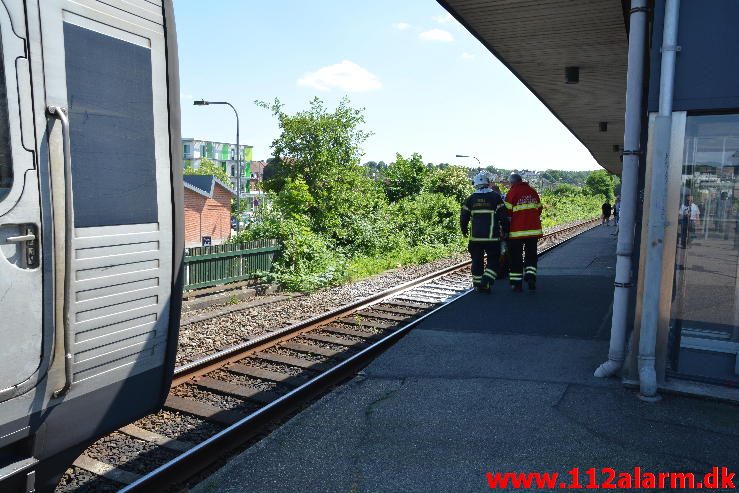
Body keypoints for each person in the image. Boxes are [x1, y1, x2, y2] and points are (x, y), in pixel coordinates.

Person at [460, 171, 509, 293]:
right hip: (492, 237)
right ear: (487, 183)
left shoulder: (470, 199)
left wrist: (464, 229)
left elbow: (463, 216)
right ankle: (486, 281)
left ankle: (478, 286)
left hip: (475, 238)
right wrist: (506, 230)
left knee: (477, 261)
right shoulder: (495, 197)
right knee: (494, 260)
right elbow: (503, 216)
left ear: (475, 184)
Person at [505, 173, 542, 291]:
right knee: (531, 256)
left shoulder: (512, 192)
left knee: (516, 258)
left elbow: (507, 213)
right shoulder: (532, 191)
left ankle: (516, 284)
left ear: (512, 182)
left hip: (517, 232)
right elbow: (539, 208)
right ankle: (531, 277)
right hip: (533, 231)